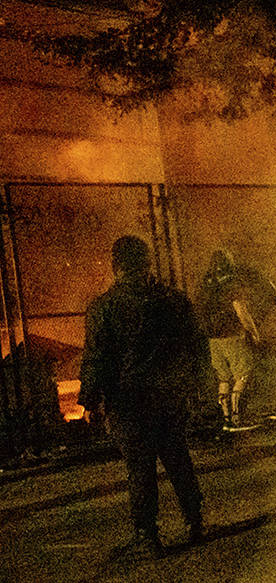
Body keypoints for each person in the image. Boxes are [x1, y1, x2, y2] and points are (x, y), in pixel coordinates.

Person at [79, 235, 209, 557]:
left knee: (140, 468)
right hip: (170, 394)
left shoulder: (105, 307)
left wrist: (89, 401)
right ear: (147, 262)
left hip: (129, 401)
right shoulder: (174, 300)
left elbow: (97, 356)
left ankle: (147, 535)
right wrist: (195, 385)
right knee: (178, 458)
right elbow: (196, 344)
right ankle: (195, 522)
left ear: (116, 266)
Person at [197, 249, 262, 431]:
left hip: (213, 339)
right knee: (243, 374)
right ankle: (237, 418)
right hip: (232, 335)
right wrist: (254, 332)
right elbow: (241, 310)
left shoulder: (207, 284)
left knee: (223, 379)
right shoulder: (231, 283)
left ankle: (226, 419)